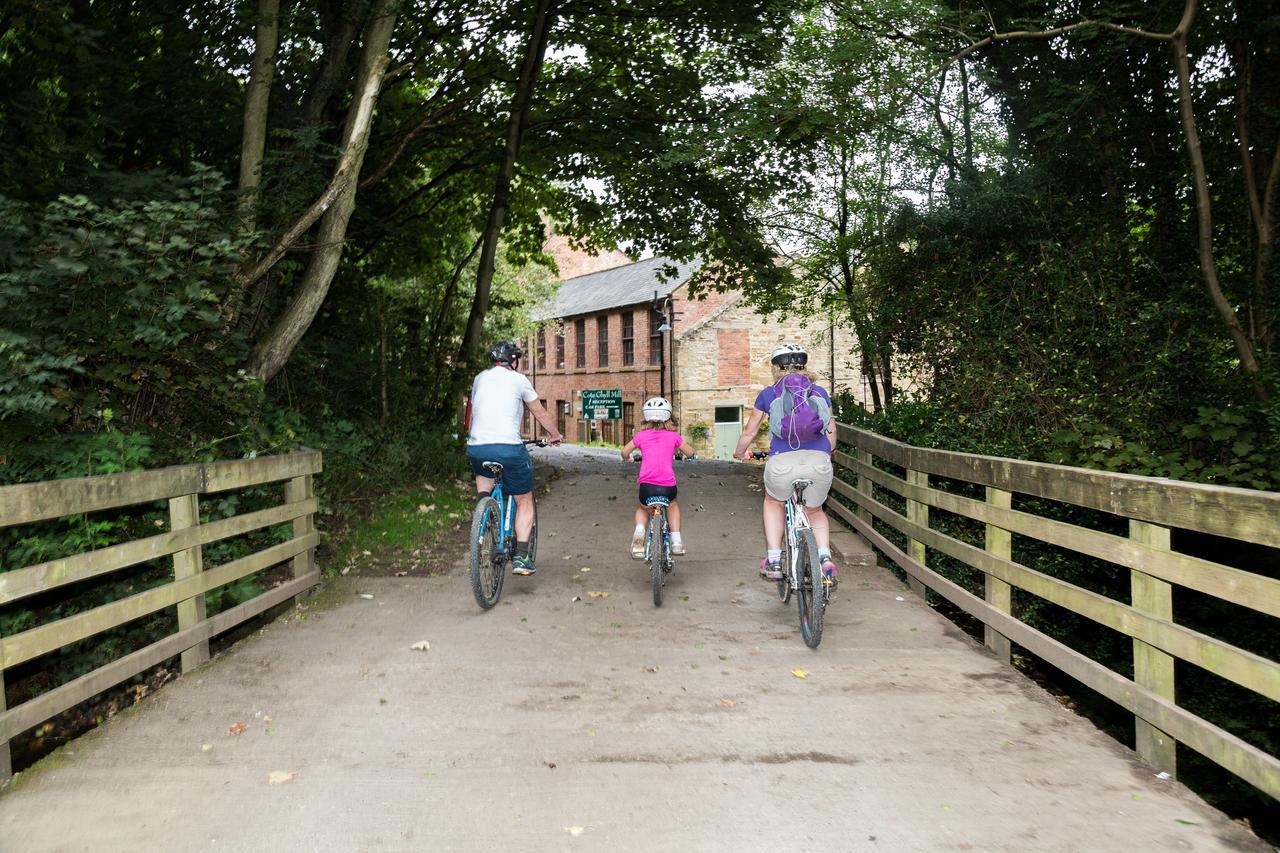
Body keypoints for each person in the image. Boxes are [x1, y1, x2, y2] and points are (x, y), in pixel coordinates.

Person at [732, 343, 839, 590]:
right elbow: (831, 429)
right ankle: (825, 560)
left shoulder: (769, 393)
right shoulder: (820, 392)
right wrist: (829, 451)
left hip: (782, 462)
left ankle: (775, 561)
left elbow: (750, 432)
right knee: (814, 511)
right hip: (818, 461)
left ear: (775, 367)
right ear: (804, 366)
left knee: (773, 502)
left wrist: (739, 452)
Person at [467, 340, 563, 576]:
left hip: (477, 446)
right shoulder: (519, 380)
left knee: (484, 477)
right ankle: (520, 556)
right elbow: (538, 411)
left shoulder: (480, 378)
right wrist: (555, 434)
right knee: (524, 500)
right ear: (514, 361)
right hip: (509, 448)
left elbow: (471, 413)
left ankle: (483, 515)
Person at [620, 397, 694, 559]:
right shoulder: (674, 437)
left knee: (643, 508)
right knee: (673, 505)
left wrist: (629, 458)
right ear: (668, 416)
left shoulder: (641, 436)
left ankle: (639, 537)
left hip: (647, 488)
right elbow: (690, 453)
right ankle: (676, 542)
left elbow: (624, 452)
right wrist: (688, 456)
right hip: (668, 488)